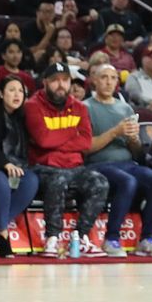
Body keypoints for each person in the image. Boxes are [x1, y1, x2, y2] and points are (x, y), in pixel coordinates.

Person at [25, 61, 110, 258]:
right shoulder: (32, 106)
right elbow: (43, 140)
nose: (61, 85)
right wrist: (72, 132)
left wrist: (58, 138)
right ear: (45, 82)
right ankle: (52, 238)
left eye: (65, 80)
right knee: (58, 180)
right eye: (55, 81)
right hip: (44, 166)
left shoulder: (79, 107)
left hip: (75, 167)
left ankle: (80, 238)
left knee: (100, 182)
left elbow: (86, 142)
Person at [84, 63, 152, 257]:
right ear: (94, 80)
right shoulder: (85, 107)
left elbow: (136, 150)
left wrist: (133, 139)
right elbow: (87, 147)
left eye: (113, 78)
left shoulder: (125, 108)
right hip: (97, 164)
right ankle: (111, 238)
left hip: (127, 163)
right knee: (127, 181)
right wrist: (115, 131)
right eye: (103, 77)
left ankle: (148, 238)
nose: (108, 82)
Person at [0, 76, 39, 258]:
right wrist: (5, 164)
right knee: (0, 180)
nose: (17, 94)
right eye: (11, 90)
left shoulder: (22, 117)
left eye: (20, 90)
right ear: (1, 93)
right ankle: (3, 234)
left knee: (31, 180)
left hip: (12, 165)